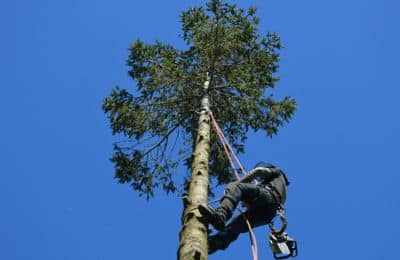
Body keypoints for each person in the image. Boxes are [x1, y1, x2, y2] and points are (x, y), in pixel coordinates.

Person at [198, 161, 290, 254]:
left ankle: (222, 215)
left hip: (267, 198)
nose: (260, 179)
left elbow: (259, 171)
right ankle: (214, 243)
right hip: (268, 215)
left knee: (237, 187)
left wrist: (235, 187)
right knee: (237, 224)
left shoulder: (277, 172)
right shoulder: (280, 188)